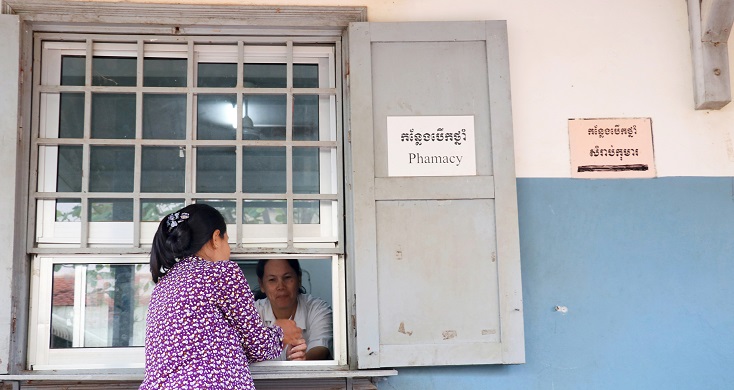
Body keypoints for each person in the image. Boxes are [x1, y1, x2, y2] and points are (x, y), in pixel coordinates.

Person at [140, 204, 303, 389]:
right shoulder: (222, 272)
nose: (229, 250)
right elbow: (258, 346)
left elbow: (218, 348)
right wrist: (281, 332)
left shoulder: (164, 285)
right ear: (216, 238)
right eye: (227, 241)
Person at [254, 259, 333, 361]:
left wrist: (302, 359)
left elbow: (321, 349)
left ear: (299, 279)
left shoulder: (317, 309)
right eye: (272, 280)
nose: (281, 286)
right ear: (262, 285)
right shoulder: (252, 312)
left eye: (287, 278)